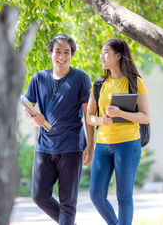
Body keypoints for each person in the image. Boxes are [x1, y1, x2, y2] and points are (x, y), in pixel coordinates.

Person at [23, 33, 94, 225]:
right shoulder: (38, 78)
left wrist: (91, 145)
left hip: (71, 147)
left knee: (68, 203)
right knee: (39, 197)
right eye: (58, 52)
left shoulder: (81, 79)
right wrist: (33, 121)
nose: (62, 57)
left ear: (72, 54)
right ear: (50, 53)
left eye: (67, 52)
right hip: (44, 147)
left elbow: (88, 115)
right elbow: (27, 110)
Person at [86, 38, 151, 225]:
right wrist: (100, 120)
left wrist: (121, 113)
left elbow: (146, 116)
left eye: (106, 52)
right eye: (102, 52)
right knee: (96, 194)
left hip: (128, 144)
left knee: (124, 196)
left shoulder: (134, 82)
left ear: (118, 55)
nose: (102, 56)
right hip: (102, 146)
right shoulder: (98, 84)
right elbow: (89, 116)